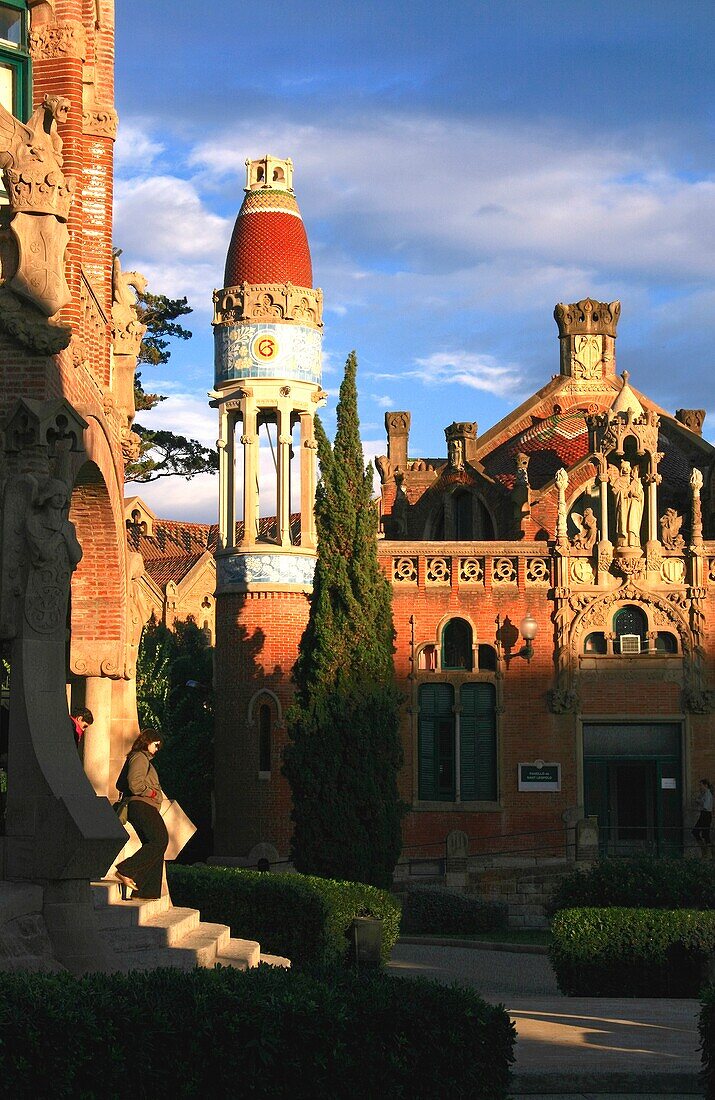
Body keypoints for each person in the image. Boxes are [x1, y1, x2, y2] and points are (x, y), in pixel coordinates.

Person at [114, 730, 169, 899]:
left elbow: (120, 784)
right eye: (156, 744)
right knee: (160, 840)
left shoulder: (138, 758)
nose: (158, 748)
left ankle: (146, 892)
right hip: (141, 805)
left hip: (141, 806)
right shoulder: (140, 757)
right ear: (148, 741)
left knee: (154, 845)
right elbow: (134, 783)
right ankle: (125, 870)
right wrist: (152, 793)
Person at [692, 778, 714, 859]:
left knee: (705, 834)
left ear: (705, 785)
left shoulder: (708, 794)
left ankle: (708, 853)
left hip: (706, 815)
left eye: (701, 785)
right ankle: (705, 851)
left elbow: (705, 806)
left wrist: (699, 801)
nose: (700, 787)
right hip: (703, 814)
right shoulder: (704, 794)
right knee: (696, 832)